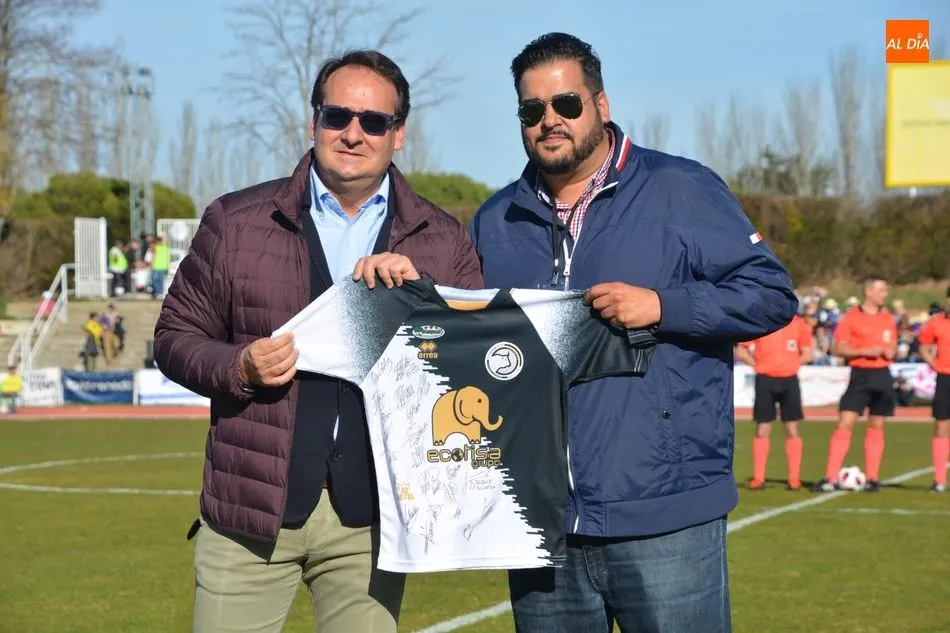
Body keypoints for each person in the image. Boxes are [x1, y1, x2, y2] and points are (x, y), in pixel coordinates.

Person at [470, 32, 797, 633]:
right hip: (541, 523)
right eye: (531, 109)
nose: (549, 120)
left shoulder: (682, 187)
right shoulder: (495, 219)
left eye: (566, 104)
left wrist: (663, 306)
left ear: (601, 105)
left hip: (665, 514)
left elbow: (772, 296)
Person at [153, 49, 482, 633]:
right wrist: (240, 366)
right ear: (314, 123)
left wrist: (421, 296)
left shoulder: (440, 239)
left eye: (373, 121)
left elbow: (472, 364)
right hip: (249, 517)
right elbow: (174, 337)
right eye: (338, 117)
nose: (353, 133)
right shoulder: (236, 221)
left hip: (374, 520)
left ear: (398, 134)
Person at [811, 275, 897, 493]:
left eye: (885, 290)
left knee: (877, 425)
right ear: (868, 292)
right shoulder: (851, 318)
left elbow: (893, 347)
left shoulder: (887, 318)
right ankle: (830, 477)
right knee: (844, 423)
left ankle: (873, 479)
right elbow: (839, 348)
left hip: (883, 375)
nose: (885, 294)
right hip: (860, 375)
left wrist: (889, 352)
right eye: (881, 290)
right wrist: (864, 351)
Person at [734, 314, 813, 491]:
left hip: (789, 380)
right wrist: (757, 365)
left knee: (792, 429)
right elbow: (740, 350)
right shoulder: (762, 321)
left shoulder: (799, 324)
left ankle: (794, 479)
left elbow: (808, 353)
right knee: (762, 429)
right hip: (765, 380)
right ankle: (758, 478)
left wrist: (792, 364)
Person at [916, 286, 950, 493]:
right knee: (941, 427)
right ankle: (939, 480)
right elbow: (923, 346)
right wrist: (934, 364)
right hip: (945, 378)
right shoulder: (936, 323)